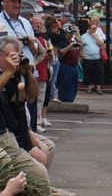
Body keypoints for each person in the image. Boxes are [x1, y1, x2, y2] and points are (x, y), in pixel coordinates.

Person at [0, 37, 50, 189]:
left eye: (17, 56)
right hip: (8, 134)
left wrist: (28, 73)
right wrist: (9, 71)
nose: (14, 60)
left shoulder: (11, 78)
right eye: (11, 56)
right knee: (38, 170)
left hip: (10, 132)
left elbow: (30, 95)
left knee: (48, 149)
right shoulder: (6, 75)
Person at [56, 29, 81, 102]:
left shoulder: (74, 42)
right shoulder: (62, 42)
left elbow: (80, 54)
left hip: (74, 66)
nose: (71, 35)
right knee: (65, 83)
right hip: (66, 65)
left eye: (72, 33)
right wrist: (69, 46)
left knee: (73, 85)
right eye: (69, 33)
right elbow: (61, 53)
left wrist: (79, 47)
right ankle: (62, 99)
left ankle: (70, 99)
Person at [81, 23, 105, 95]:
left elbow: (101, 44)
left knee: (98, 73)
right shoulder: (84, 36)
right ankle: (89, 87)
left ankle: (98, 88)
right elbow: (81, 46)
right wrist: (81, 54)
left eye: (95, 28)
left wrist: (95, 37)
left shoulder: (97, 35)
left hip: (97, 57)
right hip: (88, 57)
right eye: (93, 28)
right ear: (88, 29)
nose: (94, 30)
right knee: (89, 73)